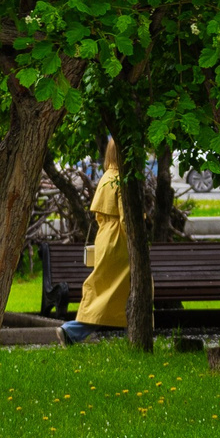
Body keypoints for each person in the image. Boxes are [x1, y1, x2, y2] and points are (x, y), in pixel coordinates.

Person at [63, 140, 131, 345]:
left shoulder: (106, 177)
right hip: (120, 239)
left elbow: (100, 215)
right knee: (117, 288)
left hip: (105, 236)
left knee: (105, 285)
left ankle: (75, 331)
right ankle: (73, 330)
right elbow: (127, 217)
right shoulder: (121, 179)